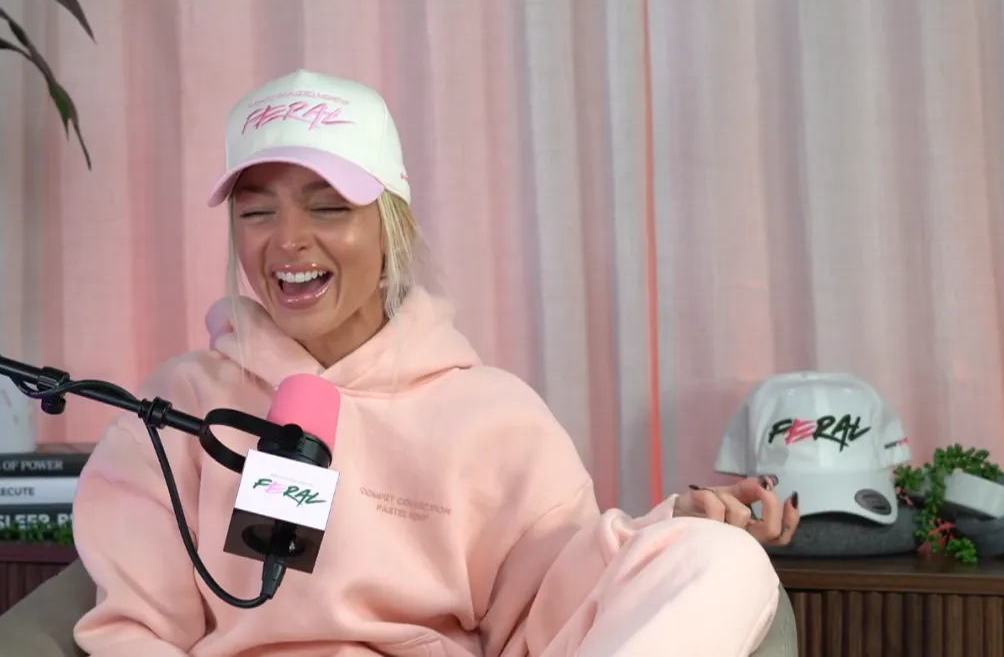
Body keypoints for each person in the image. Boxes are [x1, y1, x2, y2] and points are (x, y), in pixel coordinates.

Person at [71, 69, 800, 657]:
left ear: (391, 225)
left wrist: (680, 528)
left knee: (719, 562)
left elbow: (557, 606)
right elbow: (135, 629)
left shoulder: (493, 415)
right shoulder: (178, 407)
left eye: (327, 208)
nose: (288, 241)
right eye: (258, 212)